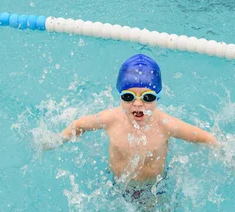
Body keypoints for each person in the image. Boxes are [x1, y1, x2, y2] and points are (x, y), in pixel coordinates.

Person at [47, 54, 218, 202]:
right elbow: (78, 125)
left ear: (158, 97)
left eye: (147, 97)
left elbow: (206, 138)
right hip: (116, 185)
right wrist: (57, 141)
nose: (137, 104)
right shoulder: (110, 119)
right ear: (120, 96)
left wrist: (225, 153)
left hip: (155, 189)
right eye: (128, 97)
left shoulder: (166, 125)